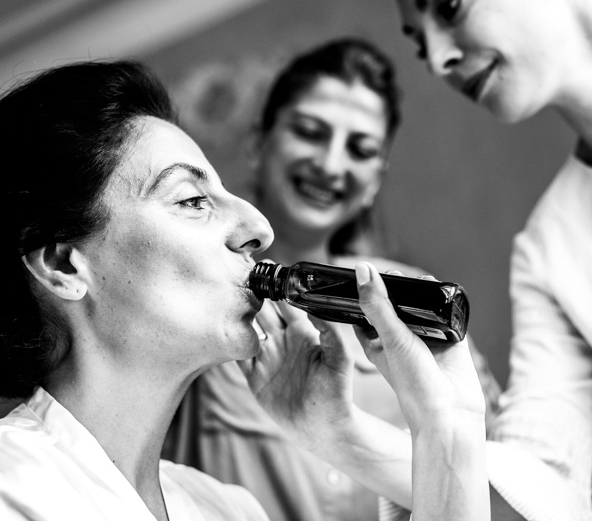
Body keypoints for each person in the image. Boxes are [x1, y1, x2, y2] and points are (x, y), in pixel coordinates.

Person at [0, 59, 488, 521]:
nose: (259, 228)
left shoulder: (230, 510)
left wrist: (447, 431)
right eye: (192, 200)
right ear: (63, 264)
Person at [265, 0, 592, 519]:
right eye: (421, 46)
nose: (440, 60)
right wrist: (342, 433)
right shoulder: (550, 251)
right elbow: (543, 489)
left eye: (450, 6)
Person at [163, 37, 501, 521]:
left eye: (360, 149)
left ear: (376, 180)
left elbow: (505, 490)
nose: (330, 164)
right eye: (310, 132)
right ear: (258, 144)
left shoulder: (410, 298)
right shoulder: (196, 298)